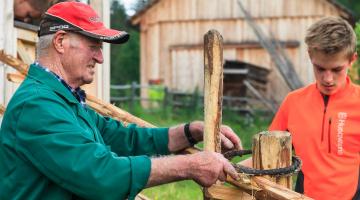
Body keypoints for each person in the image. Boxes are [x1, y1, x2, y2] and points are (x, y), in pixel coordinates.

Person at [0, 2, 242, 200]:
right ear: (60, 41)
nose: (101, 57)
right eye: (93, 46)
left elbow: (123, 138)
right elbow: (100, 176)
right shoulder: (37, 106)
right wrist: (190, 166)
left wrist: (191, 131)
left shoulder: (62, 99)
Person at [269, 17, 360, 200]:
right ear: (310, 55)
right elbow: (267, 155)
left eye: (336, 70)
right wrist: (228, 168)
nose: (328, 79)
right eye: (320, 68)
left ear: (352, 60)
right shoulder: (293, 102)